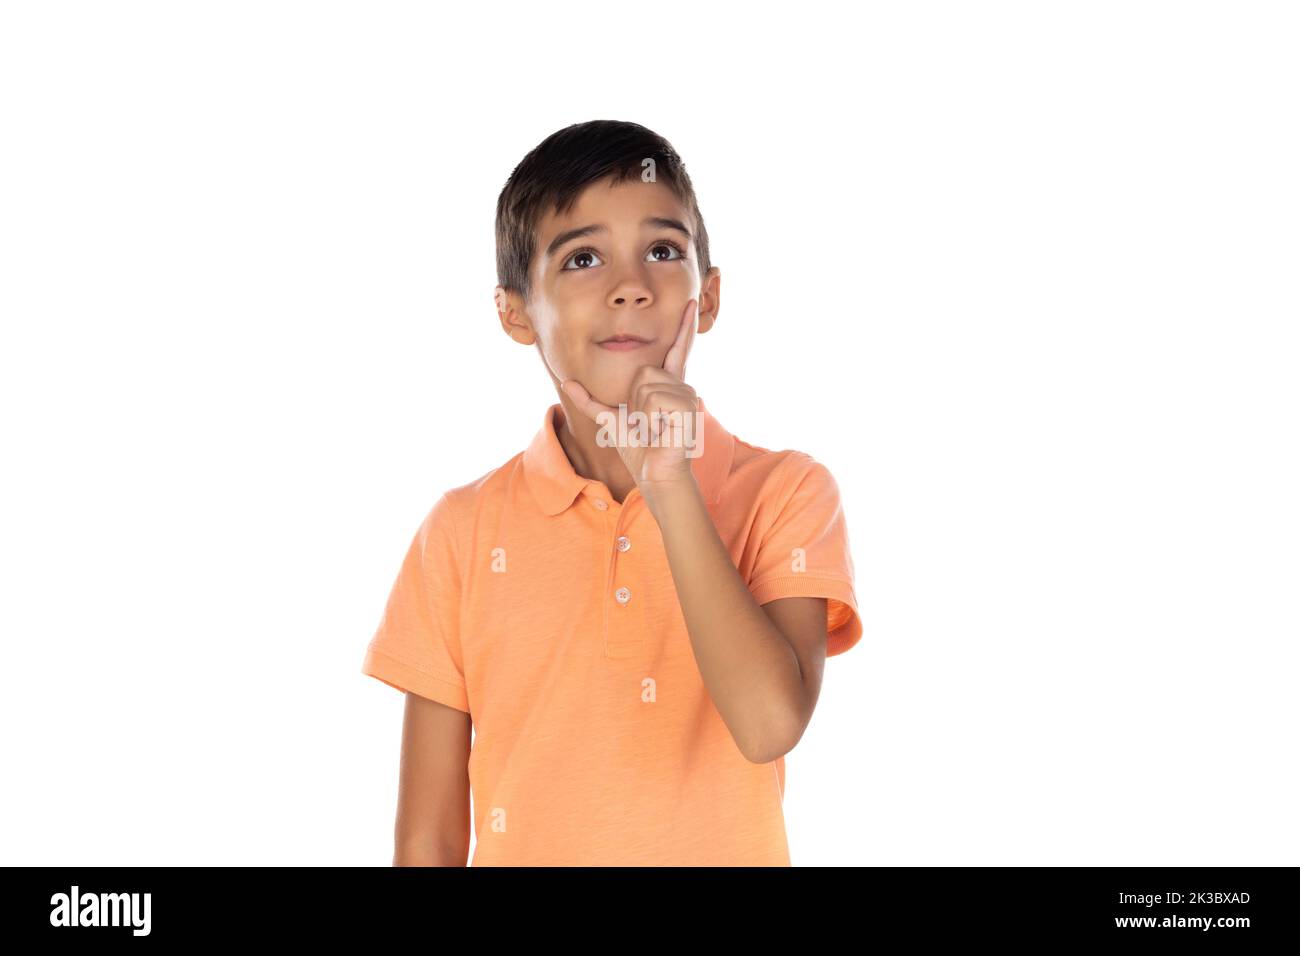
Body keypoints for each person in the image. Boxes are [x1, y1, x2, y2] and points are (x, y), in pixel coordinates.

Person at [362, 119, 862, 866]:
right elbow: (427, 841)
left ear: (710, 295)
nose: (631, 286)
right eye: (583, 258)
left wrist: (671, 486)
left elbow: (767, 726)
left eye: (663, 251)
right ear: (514, 312)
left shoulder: (787, 492)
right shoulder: (460, 534)